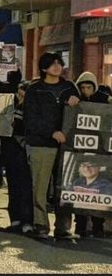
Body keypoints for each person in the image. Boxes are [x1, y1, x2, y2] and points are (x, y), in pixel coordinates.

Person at [23, 52, 80, 240]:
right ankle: (40, 223)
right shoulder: (35, 89)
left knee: (65, 186)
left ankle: (63, 226)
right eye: (52, 63)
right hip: (41, 144)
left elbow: (80, 114)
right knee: (39, 186)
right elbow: (30, 118)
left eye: (58, 63)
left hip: (66, 146)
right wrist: (51, 132)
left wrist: (75, 102)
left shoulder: (69, 87)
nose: (56, 66)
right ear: (44, 68)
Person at [74, 72, 111, 238]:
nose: (86, 90)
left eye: (89, 87)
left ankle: (97, 225)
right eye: (83, 87)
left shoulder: (104, 99)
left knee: (99, 187)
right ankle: (80, 223)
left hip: (99, 148)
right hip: (80, 147)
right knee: (80, 185)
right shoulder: (75, 99)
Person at [1, 81, 34, 234]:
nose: (20, 96)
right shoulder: (10, 107)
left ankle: (27, 220)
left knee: (26, 188)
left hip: (25, 151)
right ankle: (15, 219)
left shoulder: (33, 109)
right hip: (11, 152)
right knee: (14, 187)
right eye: (19, 93)